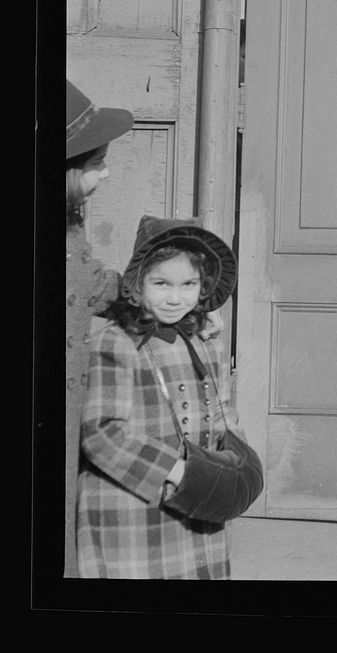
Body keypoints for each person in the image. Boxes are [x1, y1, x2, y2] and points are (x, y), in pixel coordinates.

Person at [77, 215, 246, 578]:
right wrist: (176, 470)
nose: (175, 297)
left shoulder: (206, 340)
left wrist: (234, 464)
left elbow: (222, 410)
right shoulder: (117, 342)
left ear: (203, 288)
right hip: (136, 507)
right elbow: (103, 432)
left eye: (188, 284)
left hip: (200, 498)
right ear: (137, 286)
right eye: (161, 283)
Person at [65, 79, 134, 577]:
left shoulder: (69, 227)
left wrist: (151, 293)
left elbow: (90, 285)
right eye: (95, 166)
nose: (105, 174)